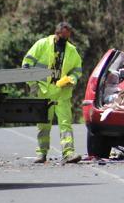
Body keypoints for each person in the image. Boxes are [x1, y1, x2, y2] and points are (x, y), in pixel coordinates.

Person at [22, 22, 83, 164]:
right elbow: (27, 64)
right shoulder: (42, 44)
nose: (66, 39)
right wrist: (33, 86)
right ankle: (41, 153)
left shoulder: (71, 50)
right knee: (43, 125)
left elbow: (77, 70)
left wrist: (71, 80)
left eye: (68, 36)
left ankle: (68, 153)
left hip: (62, 93)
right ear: (57, 33)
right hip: (44, 92)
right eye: (64, 36)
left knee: (65, 124)